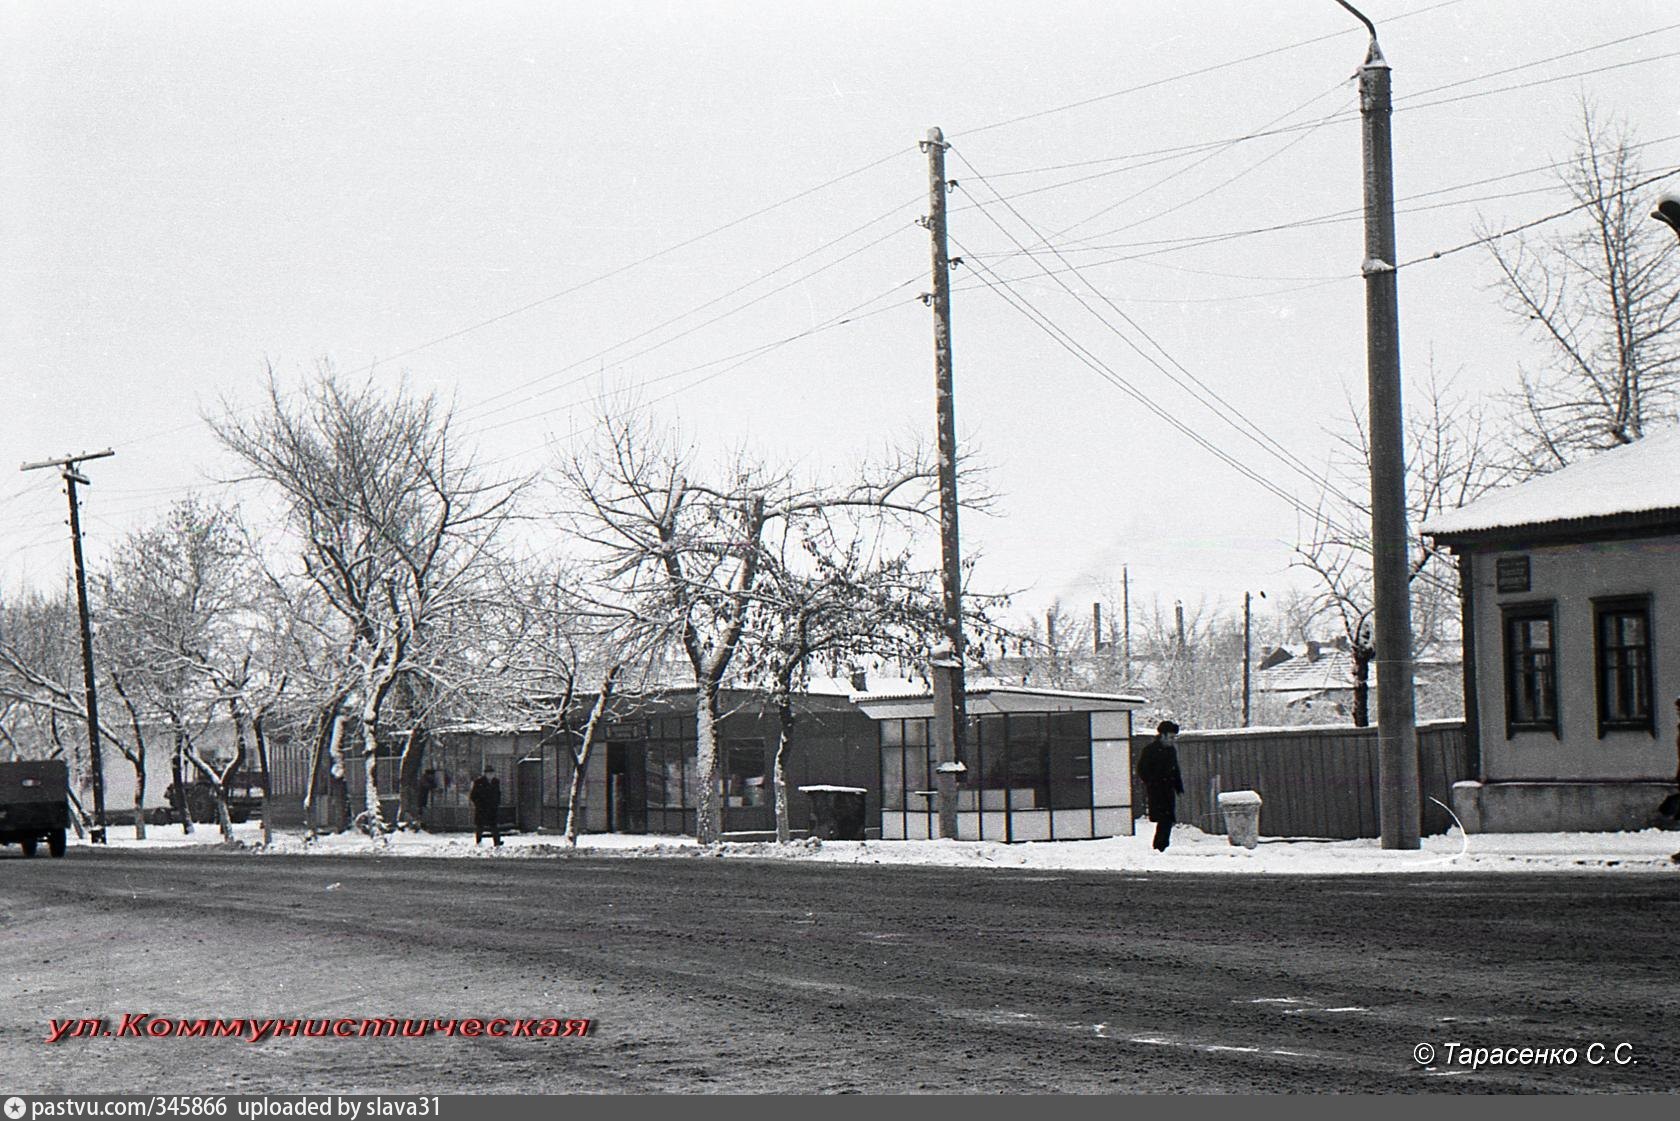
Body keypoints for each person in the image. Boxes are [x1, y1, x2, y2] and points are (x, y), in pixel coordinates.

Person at [1137, 719, 1185, 852]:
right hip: (1156, 790)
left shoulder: (1171, 751)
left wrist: (1178, 787)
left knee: (1167, 819)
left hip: (1168, 789)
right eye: (1170, 737)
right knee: (1164, 818)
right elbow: (1142, 770)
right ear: (1162, 735)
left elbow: (1175, 770)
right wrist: (1152, 782)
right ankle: (1160, 846)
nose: (1172, 740)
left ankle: (1161, 846)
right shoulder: (1150, 750)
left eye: (1174, 737)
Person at [468, 764, 502, 847]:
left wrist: (496, 803)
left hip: (492, 808)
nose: (491, 775)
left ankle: (497, 842)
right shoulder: (479, 782)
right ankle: (479, 842)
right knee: (480, 826)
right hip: (482, 808)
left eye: (492, 773)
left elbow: (498, 794)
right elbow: (473, 795)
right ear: (485, 774)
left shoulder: (496, 782)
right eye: (489, 773)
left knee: (494, 826)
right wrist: (479, 804)